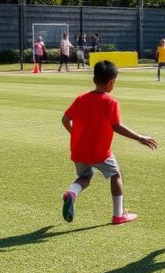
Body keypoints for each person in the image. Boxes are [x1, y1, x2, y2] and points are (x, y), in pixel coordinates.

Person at [60, 60, 157, 226]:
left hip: (79, 150)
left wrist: (75, 134)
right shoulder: (110, 102)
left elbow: (65, 119)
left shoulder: (81, 99)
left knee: (85, 176)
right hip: (100, 152)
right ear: (112, 82)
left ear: (94, 79)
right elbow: (117, 126)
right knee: (115, 175)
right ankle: (118, 215)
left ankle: (72, 193)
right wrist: (140, 137)